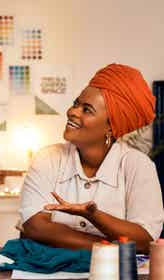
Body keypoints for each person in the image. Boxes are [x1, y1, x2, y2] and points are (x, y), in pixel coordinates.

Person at [20, 63, 164, 254]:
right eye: (75, 103)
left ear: (111, 127)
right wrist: (106, 247)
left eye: (87, 109)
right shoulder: (48, 158)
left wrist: (95, 216)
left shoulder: (138, 166)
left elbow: (144, 239)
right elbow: (35, 226)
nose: (72, 112)